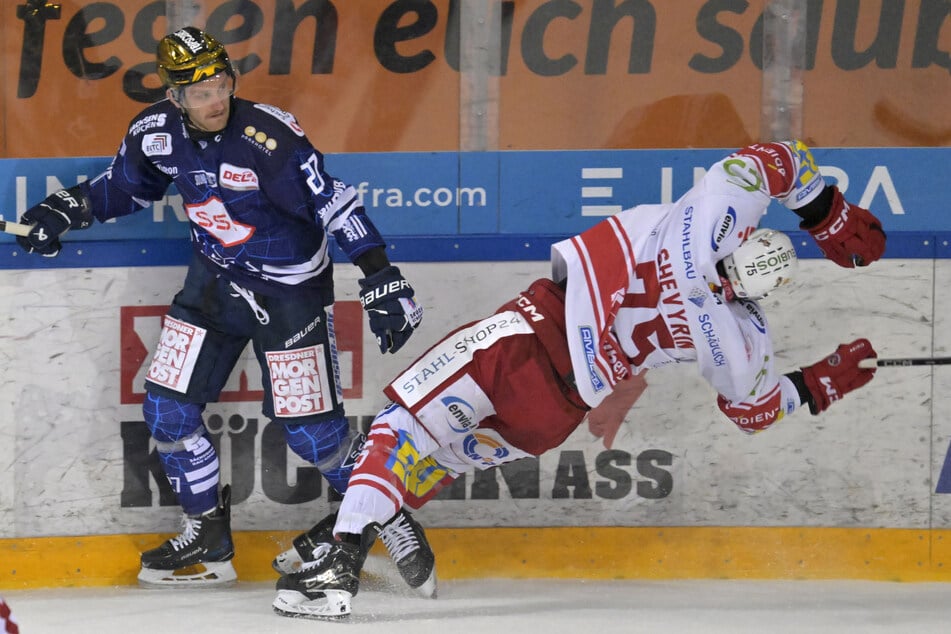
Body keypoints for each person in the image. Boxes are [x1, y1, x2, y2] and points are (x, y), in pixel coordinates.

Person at [269, 140, 887, 619]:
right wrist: (816, 384)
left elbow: (778, 159)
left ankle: (338, 567)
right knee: (437, 464)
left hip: (525, 341)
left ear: (743, 236)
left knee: (399, 429)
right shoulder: (738, 336)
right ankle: (322, 544)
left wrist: (825, 212)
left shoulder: (705, 221)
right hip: (557, 412)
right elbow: (753, 411)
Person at [14, 26, 436, 595]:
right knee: (165, 413)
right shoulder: (156, 133)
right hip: (213, 290)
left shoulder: (270, 136)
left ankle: (392, 518)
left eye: (220, 84)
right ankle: (208, 538)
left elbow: (334, 201)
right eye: (198, 92)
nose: (214, 100)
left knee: (316, 438)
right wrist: (65, 210)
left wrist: (379, 273)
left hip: (291, 300)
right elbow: (125, 189)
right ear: (173, 96)